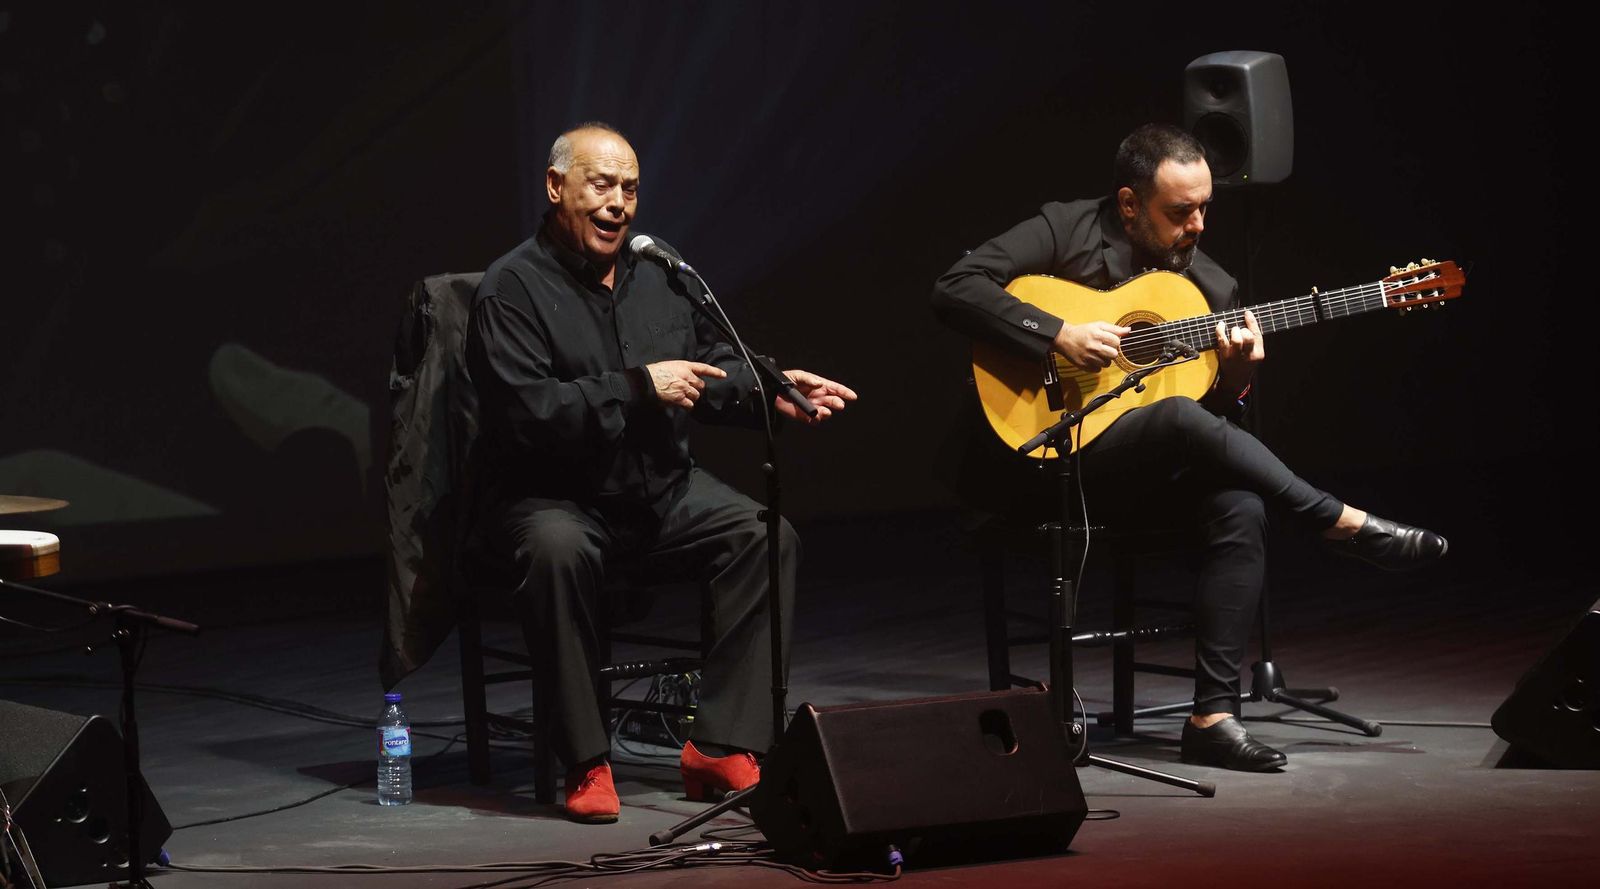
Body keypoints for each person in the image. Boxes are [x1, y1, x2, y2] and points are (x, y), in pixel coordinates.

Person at [930, 123, 1445, 772]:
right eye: (1180, 212)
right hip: (1039, 463)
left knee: (1241, 506)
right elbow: (955, 286)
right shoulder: (1066, 229)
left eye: (1205, 208)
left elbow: (1218, 429)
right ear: (1128, 203)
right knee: (1176, 419)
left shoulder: (1212, 285)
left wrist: (1235, 377)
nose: (1197, 224)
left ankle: (1212, 717)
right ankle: (1337, 520)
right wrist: (1058, 332)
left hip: (1137, 477)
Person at [466, 122, 856, 822]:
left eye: (631, 188)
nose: (620, 204)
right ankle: (586, 758)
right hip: (555, 496)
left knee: (764, 534)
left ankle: (719, 741)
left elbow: (709, 365)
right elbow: (525, 413)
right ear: (557, 188)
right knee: (557, 550)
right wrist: (639, 385)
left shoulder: (660, 273)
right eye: (602, 184)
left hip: (658, 492)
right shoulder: (512, 288)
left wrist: (771, 386)